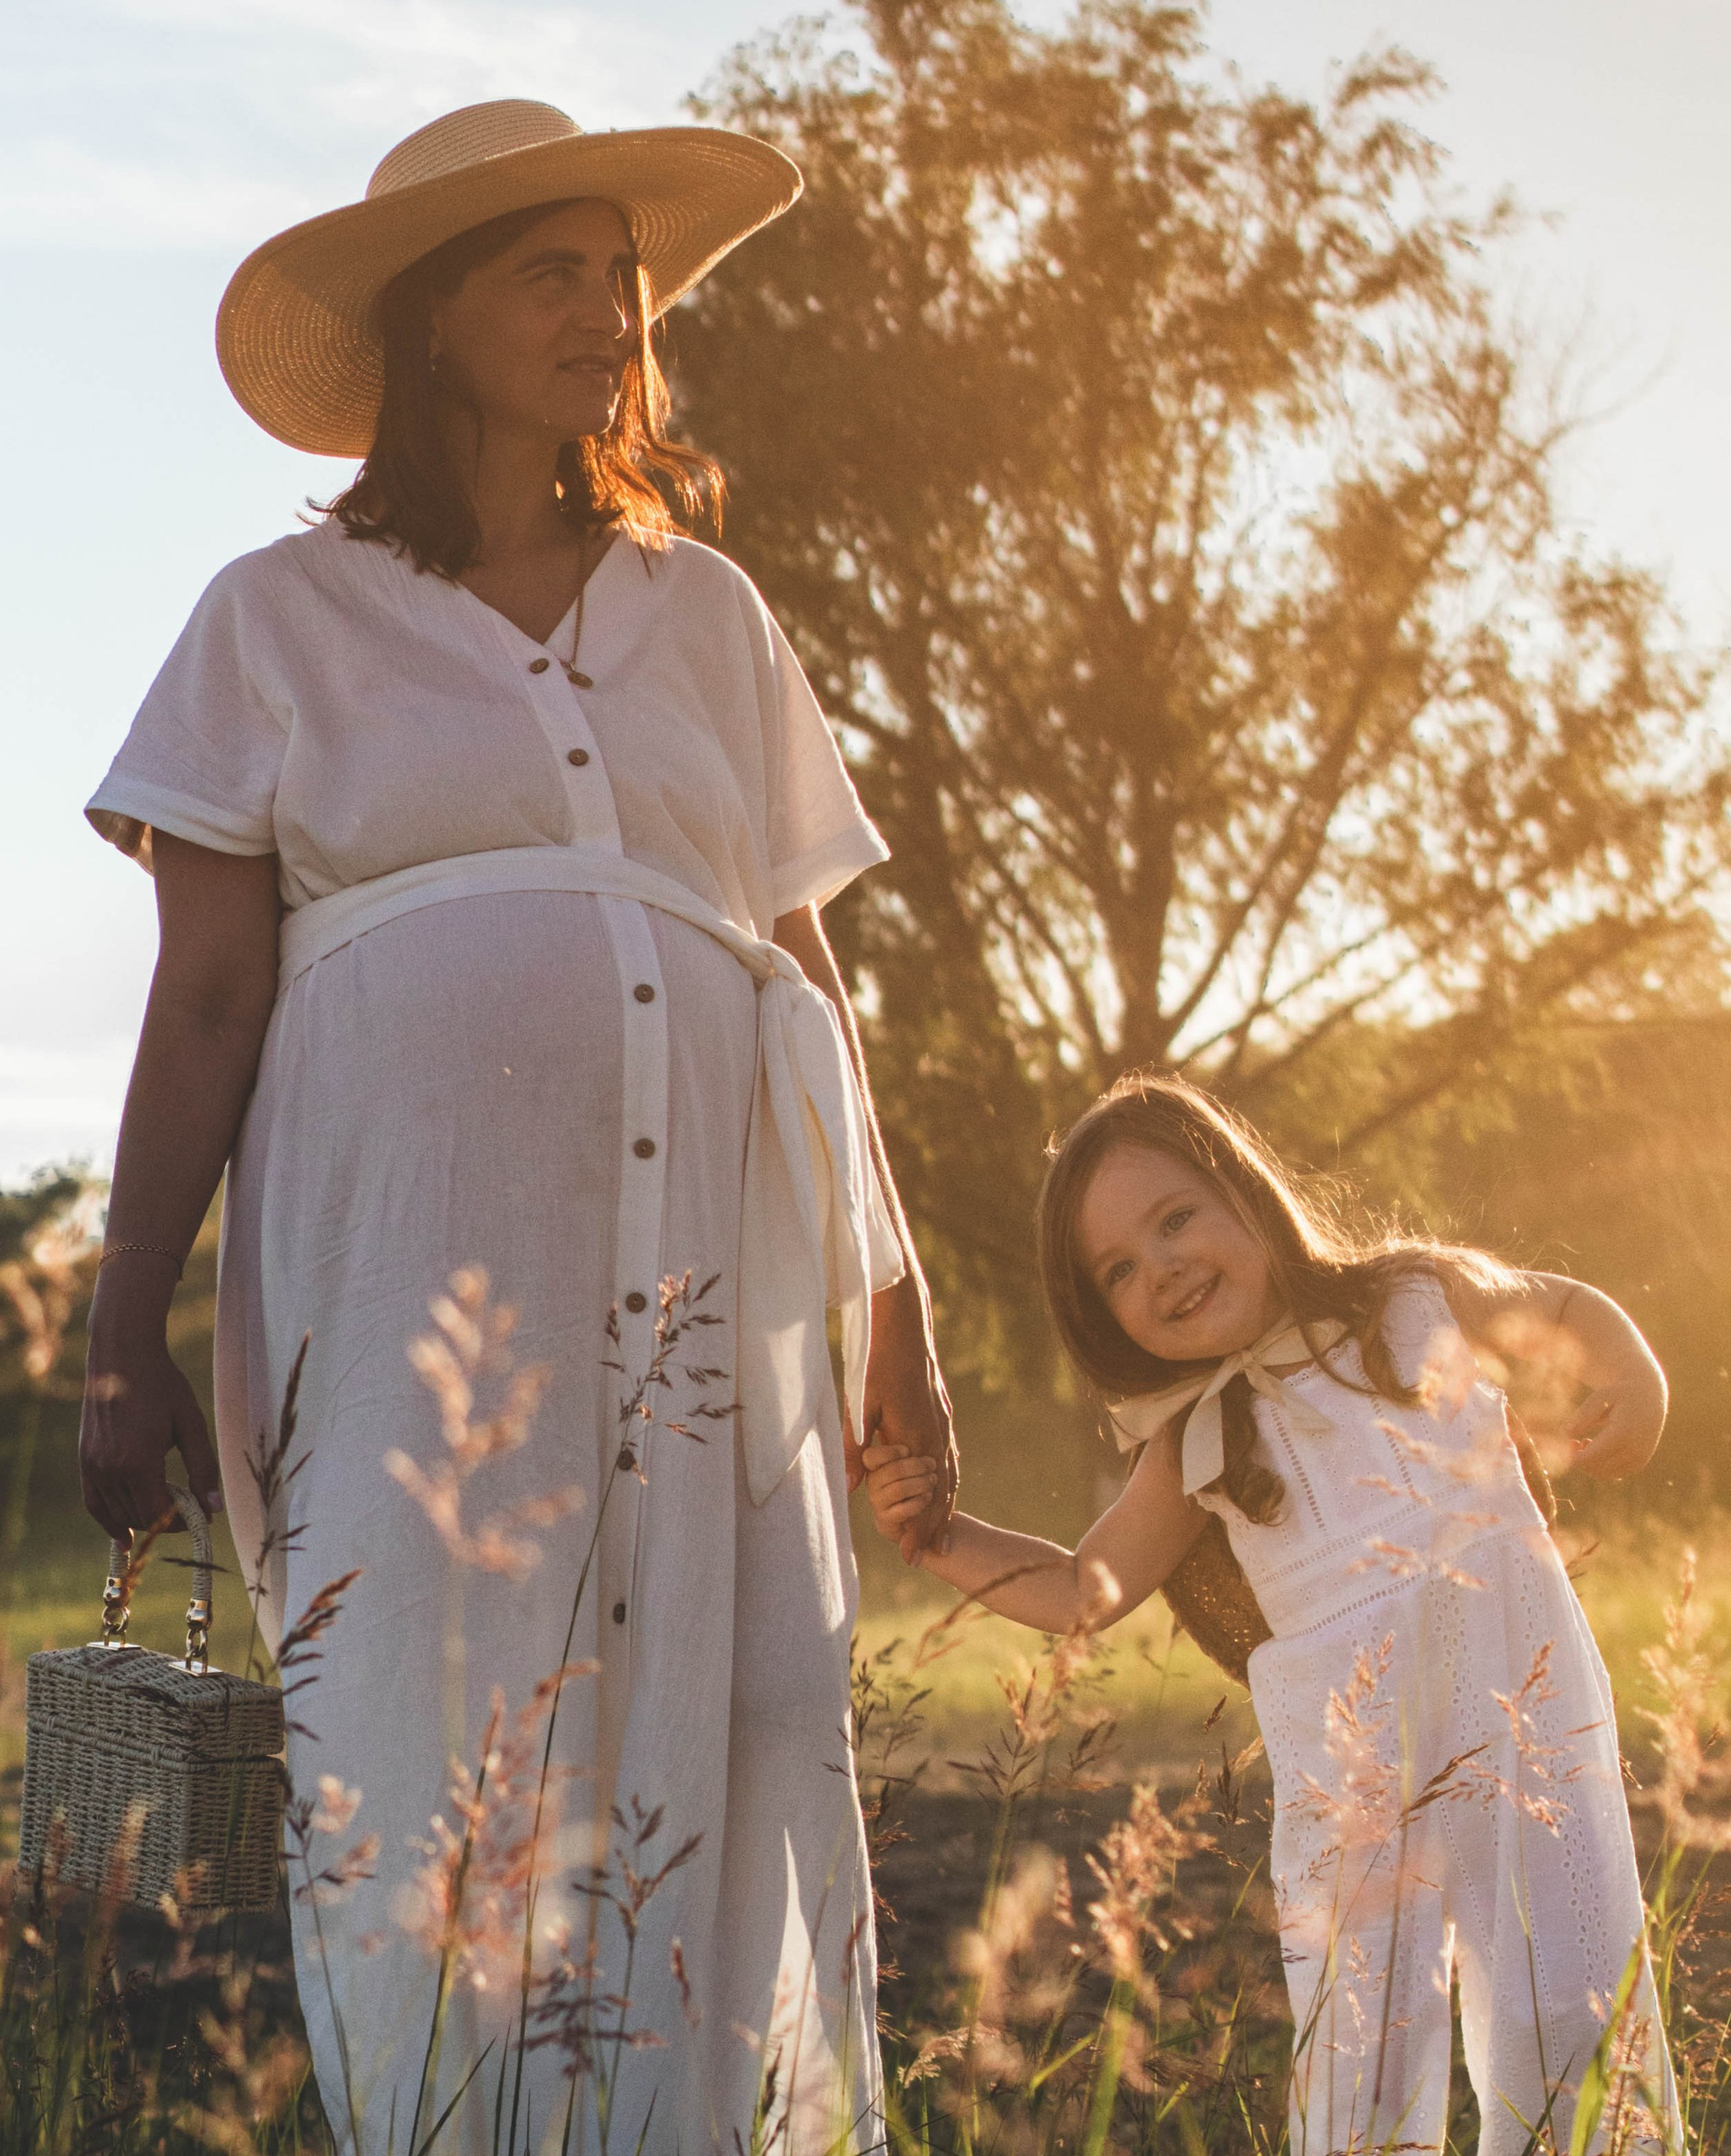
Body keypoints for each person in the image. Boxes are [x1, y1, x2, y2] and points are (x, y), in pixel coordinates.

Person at [77, 100, 956, 2155]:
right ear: (432, 321)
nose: (607, 313)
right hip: (407, 1281)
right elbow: (204, 995)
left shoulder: (707, 614)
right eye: (550, 273)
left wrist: (891, 1308)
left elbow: (808, 980)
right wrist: (124, 1323)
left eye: (620, 279)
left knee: (737, 1718)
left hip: (719, 1292)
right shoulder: (273, 619)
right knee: (432, 1716)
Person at [863, 1073, 1680, 2154]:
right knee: (1363, 2039)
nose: (1162, 1268)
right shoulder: (1199, 1433)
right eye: (1119, 1271)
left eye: (1175, 1219)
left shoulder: (1415, 1300)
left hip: (1519, 1712)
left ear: (1245, 1190)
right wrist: (941, 1538)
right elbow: (1080, 1589)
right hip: (1351, 1775)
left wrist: (1634, 1379)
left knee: (1563, 1985)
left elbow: (1561, 1306)